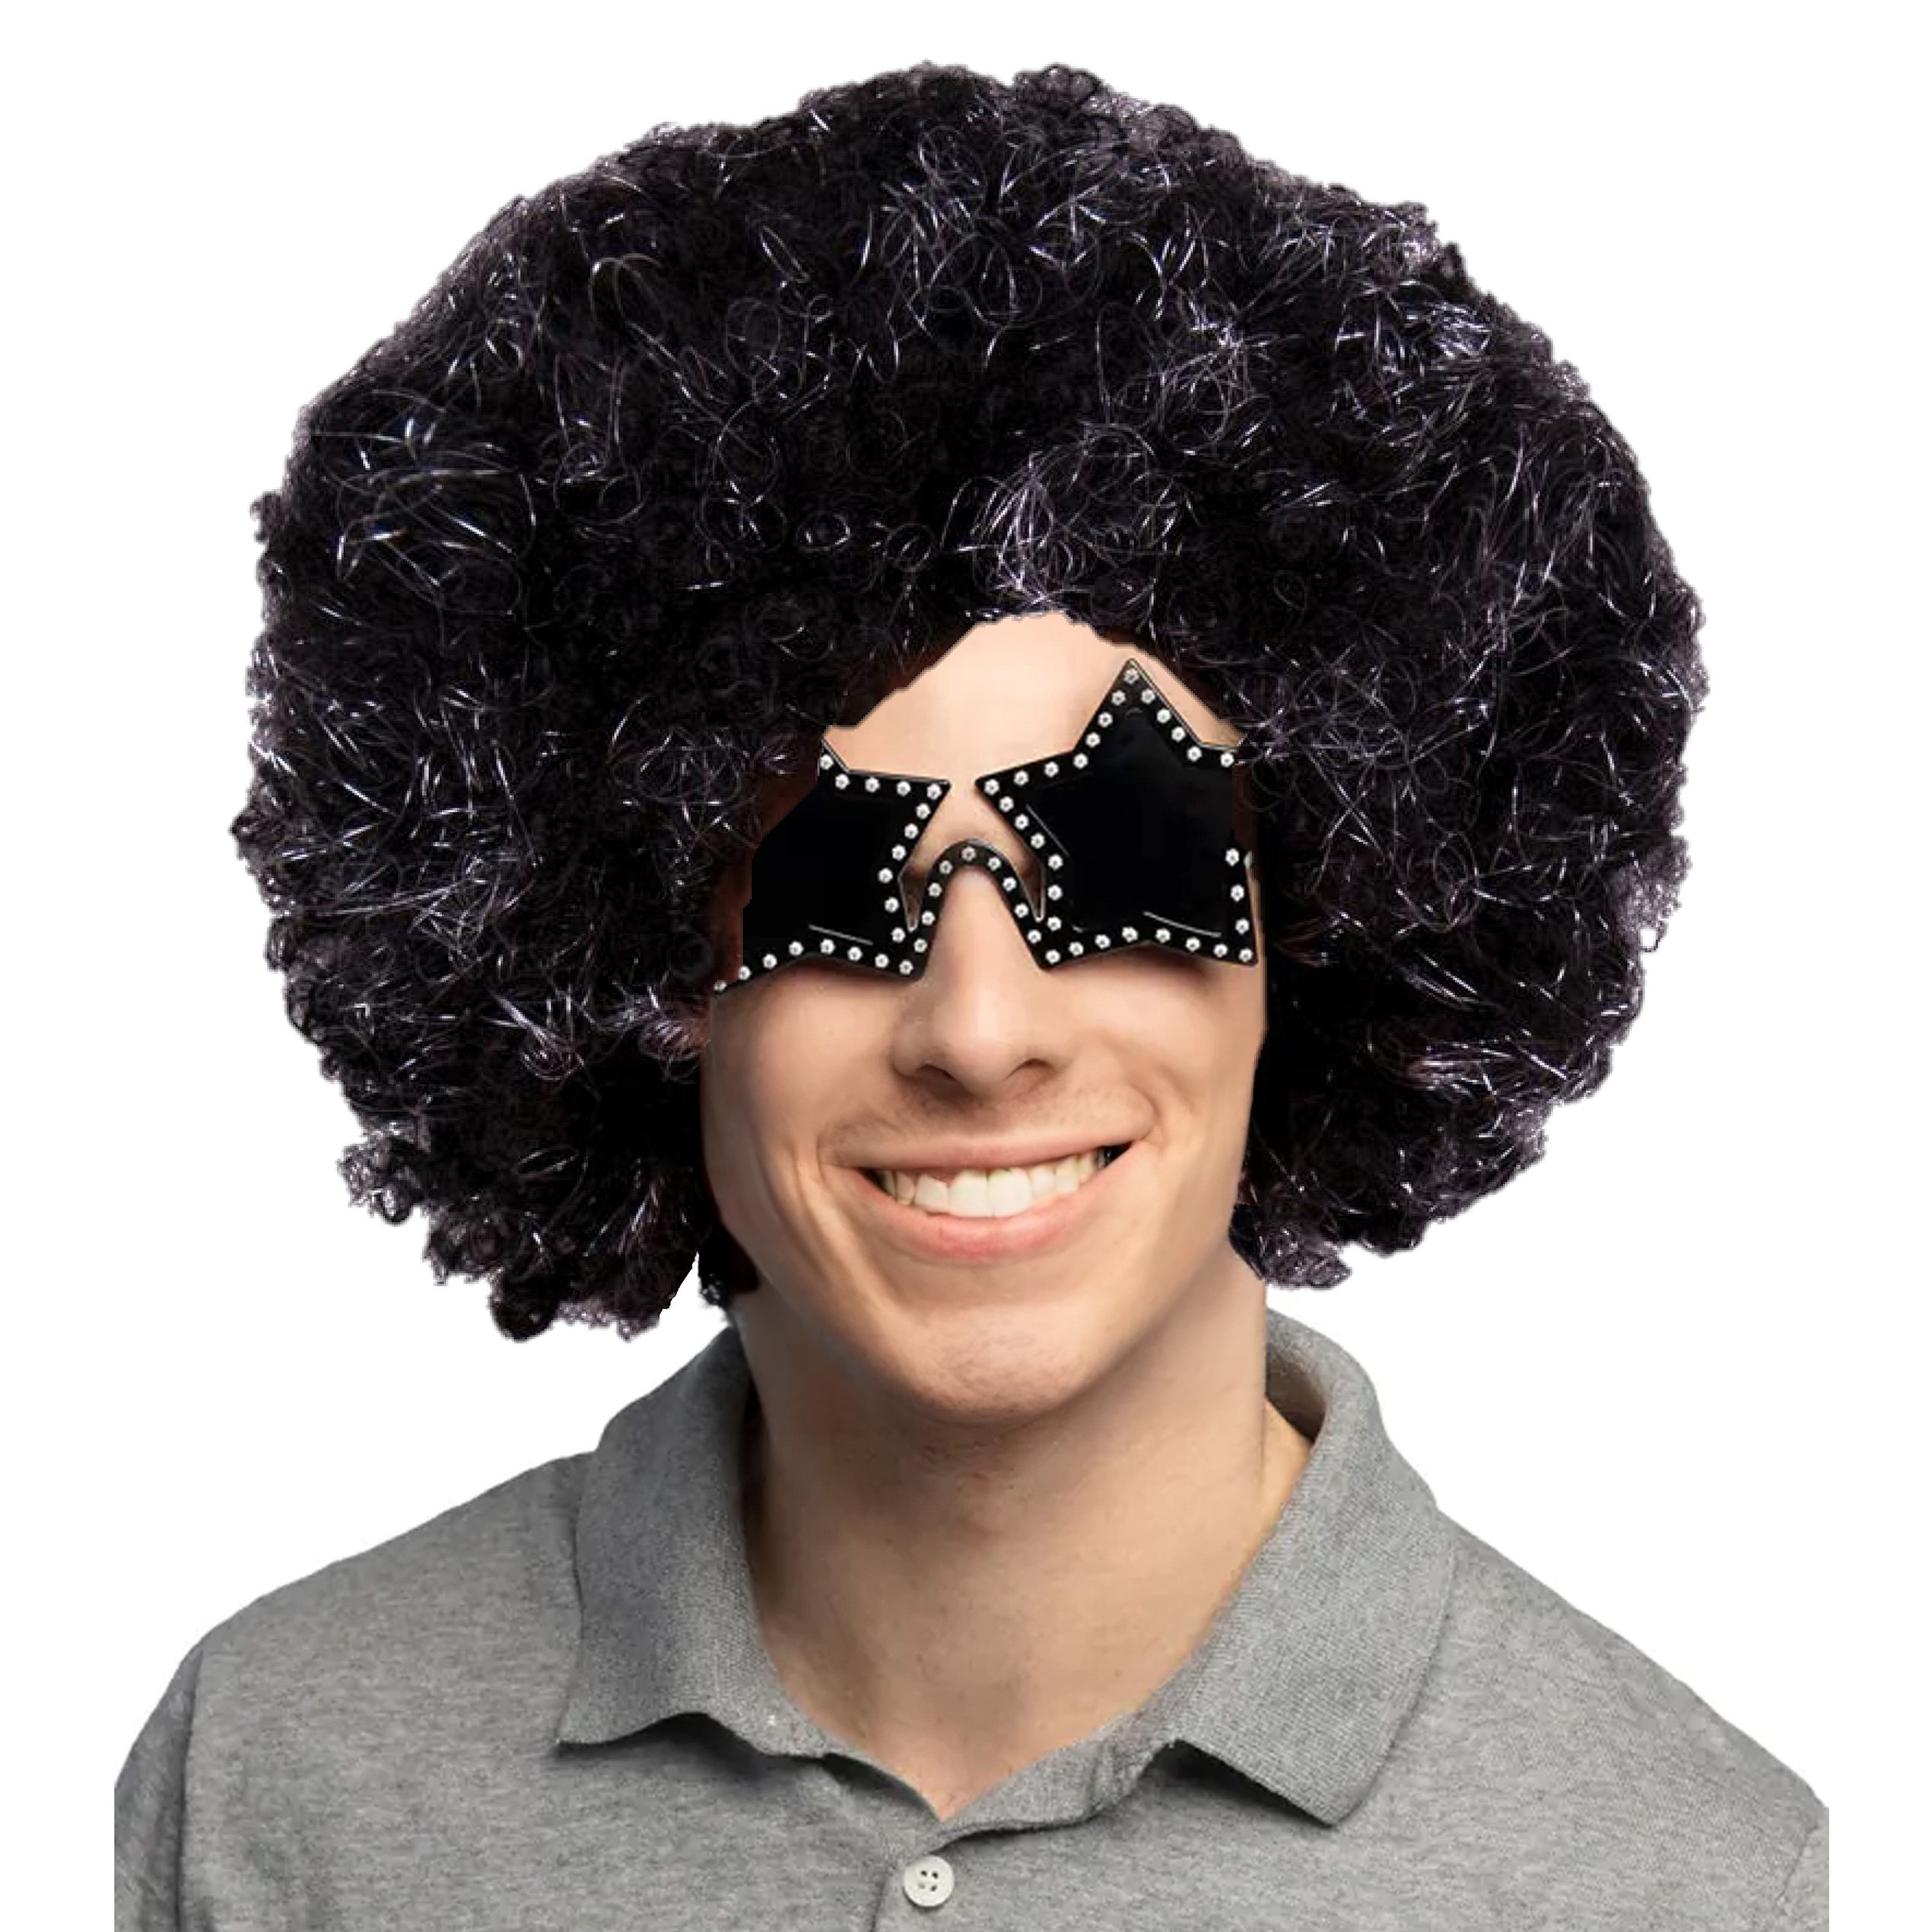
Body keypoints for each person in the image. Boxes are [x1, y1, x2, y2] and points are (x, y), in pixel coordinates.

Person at [116, 61, 1826, 1929]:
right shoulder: (278, 1783)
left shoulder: (1682, 1872)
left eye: (1127, 851)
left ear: (1324, 926)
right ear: (620, 967)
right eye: (827, 874)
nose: (979, 1027)